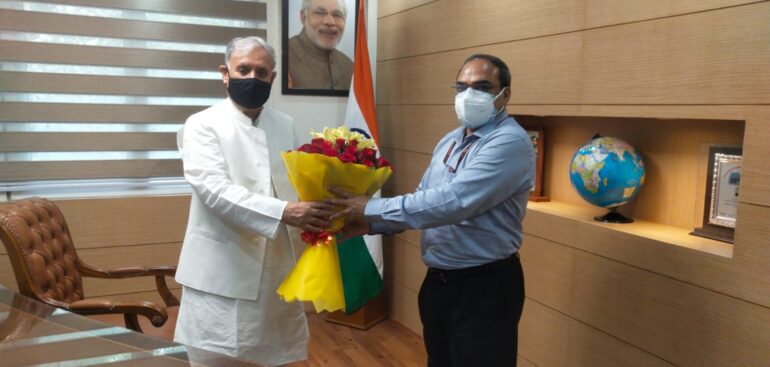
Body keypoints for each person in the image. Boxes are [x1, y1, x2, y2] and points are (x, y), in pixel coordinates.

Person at [328, 54, 535, 367]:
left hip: (485, 287)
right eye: (461, 87)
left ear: (505, 94)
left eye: (481, 87)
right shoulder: (450, 141)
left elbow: (453, 202)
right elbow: (425, 199)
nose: (469, 96)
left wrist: (370, 207)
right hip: (439, 281)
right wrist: (372, 226)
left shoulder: (509, 142)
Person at [173, 36, 334, 366]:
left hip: (275, 268)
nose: (252, 78)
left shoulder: (285, 125)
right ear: (224, 73)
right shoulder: (202, 124)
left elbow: (299, 183)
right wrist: (285, 212)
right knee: (215, 357)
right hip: (222, 268)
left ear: (273, 78)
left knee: (272, 357)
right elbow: (214, 190)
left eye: (261, 72)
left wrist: (330, 204)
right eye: (243, 69)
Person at [288, 0, 353, 90]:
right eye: (320, 13)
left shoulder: (350, 67)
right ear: (303, 17)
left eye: (337, 15)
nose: (330, 22)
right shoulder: (284, 58)